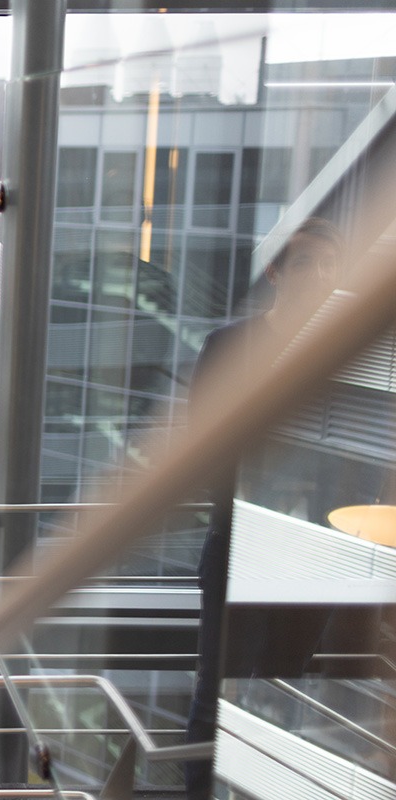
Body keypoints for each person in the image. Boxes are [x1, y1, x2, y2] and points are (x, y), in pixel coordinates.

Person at [183, 217, 343, 799]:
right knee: (213, 698)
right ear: (276, 271)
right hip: (239, 548)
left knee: (284, 697)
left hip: (315, 561)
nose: (321, 277)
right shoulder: (229, 347)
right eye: (306, 263)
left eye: (330, 266)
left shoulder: (342, 357)